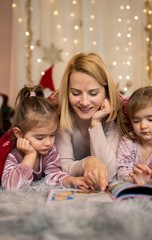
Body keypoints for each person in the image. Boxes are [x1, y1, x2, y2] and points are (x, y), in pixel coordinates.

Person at [53, 52, 121, 191]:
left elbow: (109, 172)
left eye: (93, 93)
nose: (84, 102)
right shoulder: (63, 119)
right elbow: (62, 167)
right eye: (76, 93)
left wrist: (96, 123)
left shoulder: (113, 120)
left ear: (106, 92)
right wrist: (87, 163)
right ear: (67, 92)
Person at [1, 85, 89, 190]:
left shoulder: (51, 150)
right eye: (39, 138)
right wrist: (30, 155)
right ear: (19, 134)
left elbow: (53, 174)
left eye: (52, 135)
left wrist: (71, 180)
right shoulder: (14, 155)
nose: (48, 142)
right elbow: (10, 186)